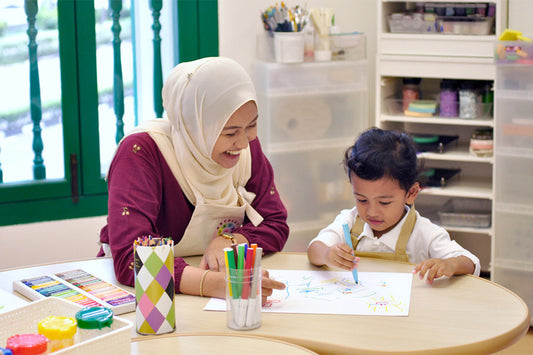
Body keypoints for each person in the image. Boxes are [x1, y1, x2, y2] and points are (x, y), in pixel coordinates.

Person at [98, 57, 288, 301]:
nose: (242, 143)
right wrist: (219, 285)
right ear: (196, 126)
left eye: (251, 125)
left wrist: (229, 241)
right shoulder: (142, 152)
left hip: (204, 289)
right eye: (229, 132)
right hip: (142, 298)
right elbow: (132, 258)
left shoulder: (247, 148)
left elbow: (275, 222)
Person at [307, 127, 480, 284]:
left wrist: (449, 264)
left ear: (411, 193)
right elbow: (314, 249)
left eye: (384, 202)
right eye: (361, 199)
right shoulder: (349, 221)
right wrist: (327, 254)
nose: (372, 212)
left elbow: (471, 262)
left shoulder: (423, 232)